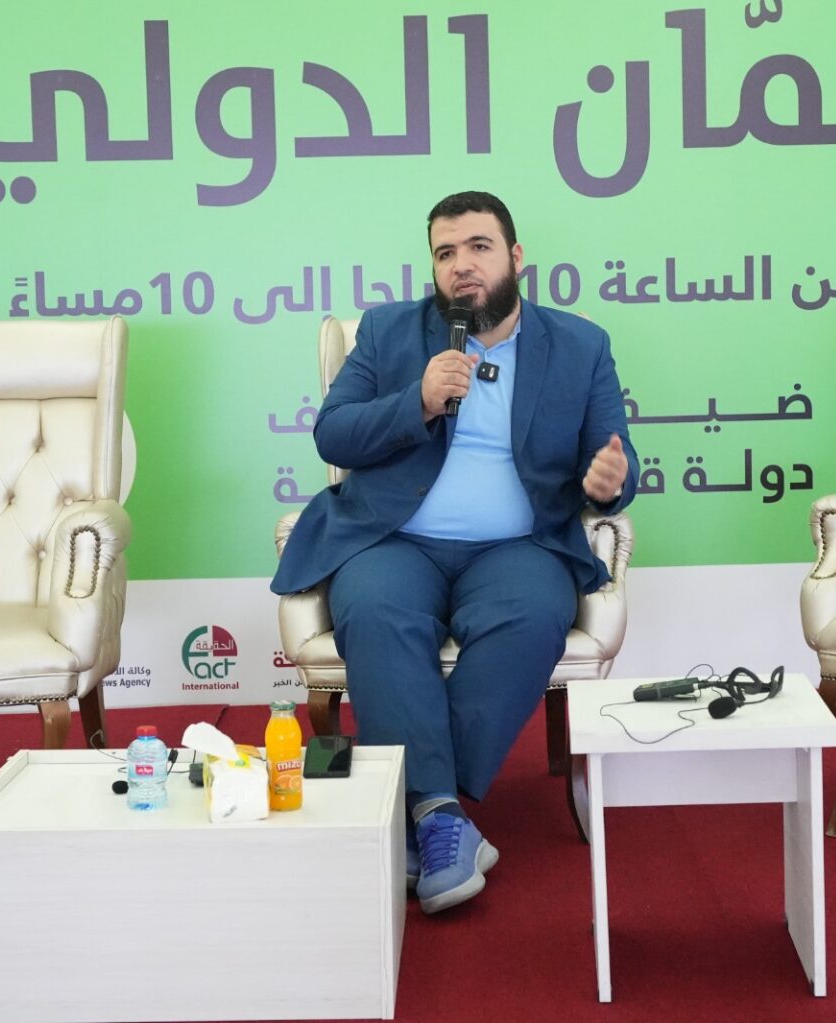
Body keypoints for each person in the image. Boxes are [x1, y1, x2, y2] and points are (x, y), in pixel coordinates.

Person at [271, 191, 636, 913]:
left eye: (478, 247)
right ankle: (442, 817)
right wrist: (417, 400)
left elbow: (616, 462)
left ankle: (418, 805)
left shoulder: (580, 345)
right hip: (394, 538)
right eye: (445, 253)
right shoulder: (387, 332)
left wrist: (609, 483)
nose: (461, 265)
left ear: (515, 257)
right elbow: (333, 435)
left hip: (518, 546)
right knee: (376, 611)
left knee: (532, 615)